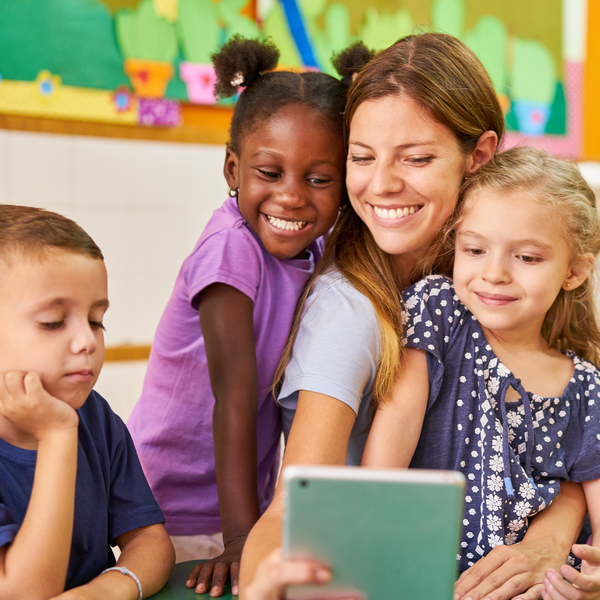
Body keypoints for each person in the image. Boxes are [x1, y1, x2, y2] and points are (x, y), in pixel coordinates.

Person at [240, 33, 587, 600]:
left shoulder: (504, 284)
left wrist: (552, 536)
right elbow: (292, 508)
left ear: (478, 154)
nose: (381, 184)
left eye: (418, 158)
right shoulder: (350, 309)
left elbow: (572, 432)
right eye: (361, 157)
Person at [127, 36, 356, 597]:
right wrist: (240, 538)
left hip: (238, 497)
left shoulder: (312, 250)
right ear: (234, 168)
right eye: (270, 173)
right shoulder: (230, 249)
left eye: (318, 178)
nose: (292, 197)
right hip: (177, 502)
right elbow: (235, 396)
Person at [362, 146, 600, 578]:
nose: (494, 273)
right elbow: (398, 419)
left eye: (526, 258)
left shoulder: (585, 387)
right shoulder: (440, 311)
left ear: (574, 272)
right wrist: (367, 527)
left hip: (533, 585)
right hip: (422, 573)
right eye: (474, 250)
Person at [0, 205, 174, 600]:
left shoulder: (96, 417)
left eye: (97, 320)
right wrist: (58, 434)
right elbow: (24, 591)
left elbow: (150, 539)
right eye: (53, 322)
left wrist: (109, 590)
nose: (88, 341)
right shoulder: (69, 424)